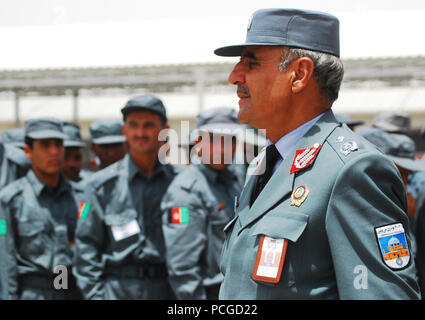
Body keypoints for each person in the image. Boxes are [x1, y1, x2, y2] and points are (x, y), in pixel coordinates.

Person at [214, 8, 420, 299]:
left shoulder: (352, 170)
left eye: (251, 62)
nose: (234, 76)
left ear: (299, 74)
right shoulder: (264, 163)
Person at [74, 95, 179, 300]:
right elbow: (85, 247)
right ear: (124, 130)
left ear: (164, 130)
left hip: (169, 290)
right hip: (117, 291)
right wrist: (97, 296)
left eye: (148, 125)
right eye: (134, 125)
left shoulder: (180, 184)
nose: (140, 133)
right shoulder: (100, 187)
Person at [161, 107, 244, 299]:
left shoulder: (237, 180)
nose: (223, 149)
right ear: (198, 143)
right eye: (215, 140)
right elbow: (182, 267)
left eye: (230, 140)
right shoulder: (185, 192)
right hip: (209, 293)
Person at [0, 117, 82, 299]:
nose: (54, 152)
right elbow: (7, 260)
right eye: (45, 145)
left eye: (58, 144)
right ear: (28, 151)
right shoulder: (10, 200)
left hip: (75, 290)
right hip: (34, 292)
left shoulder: (82, 198)